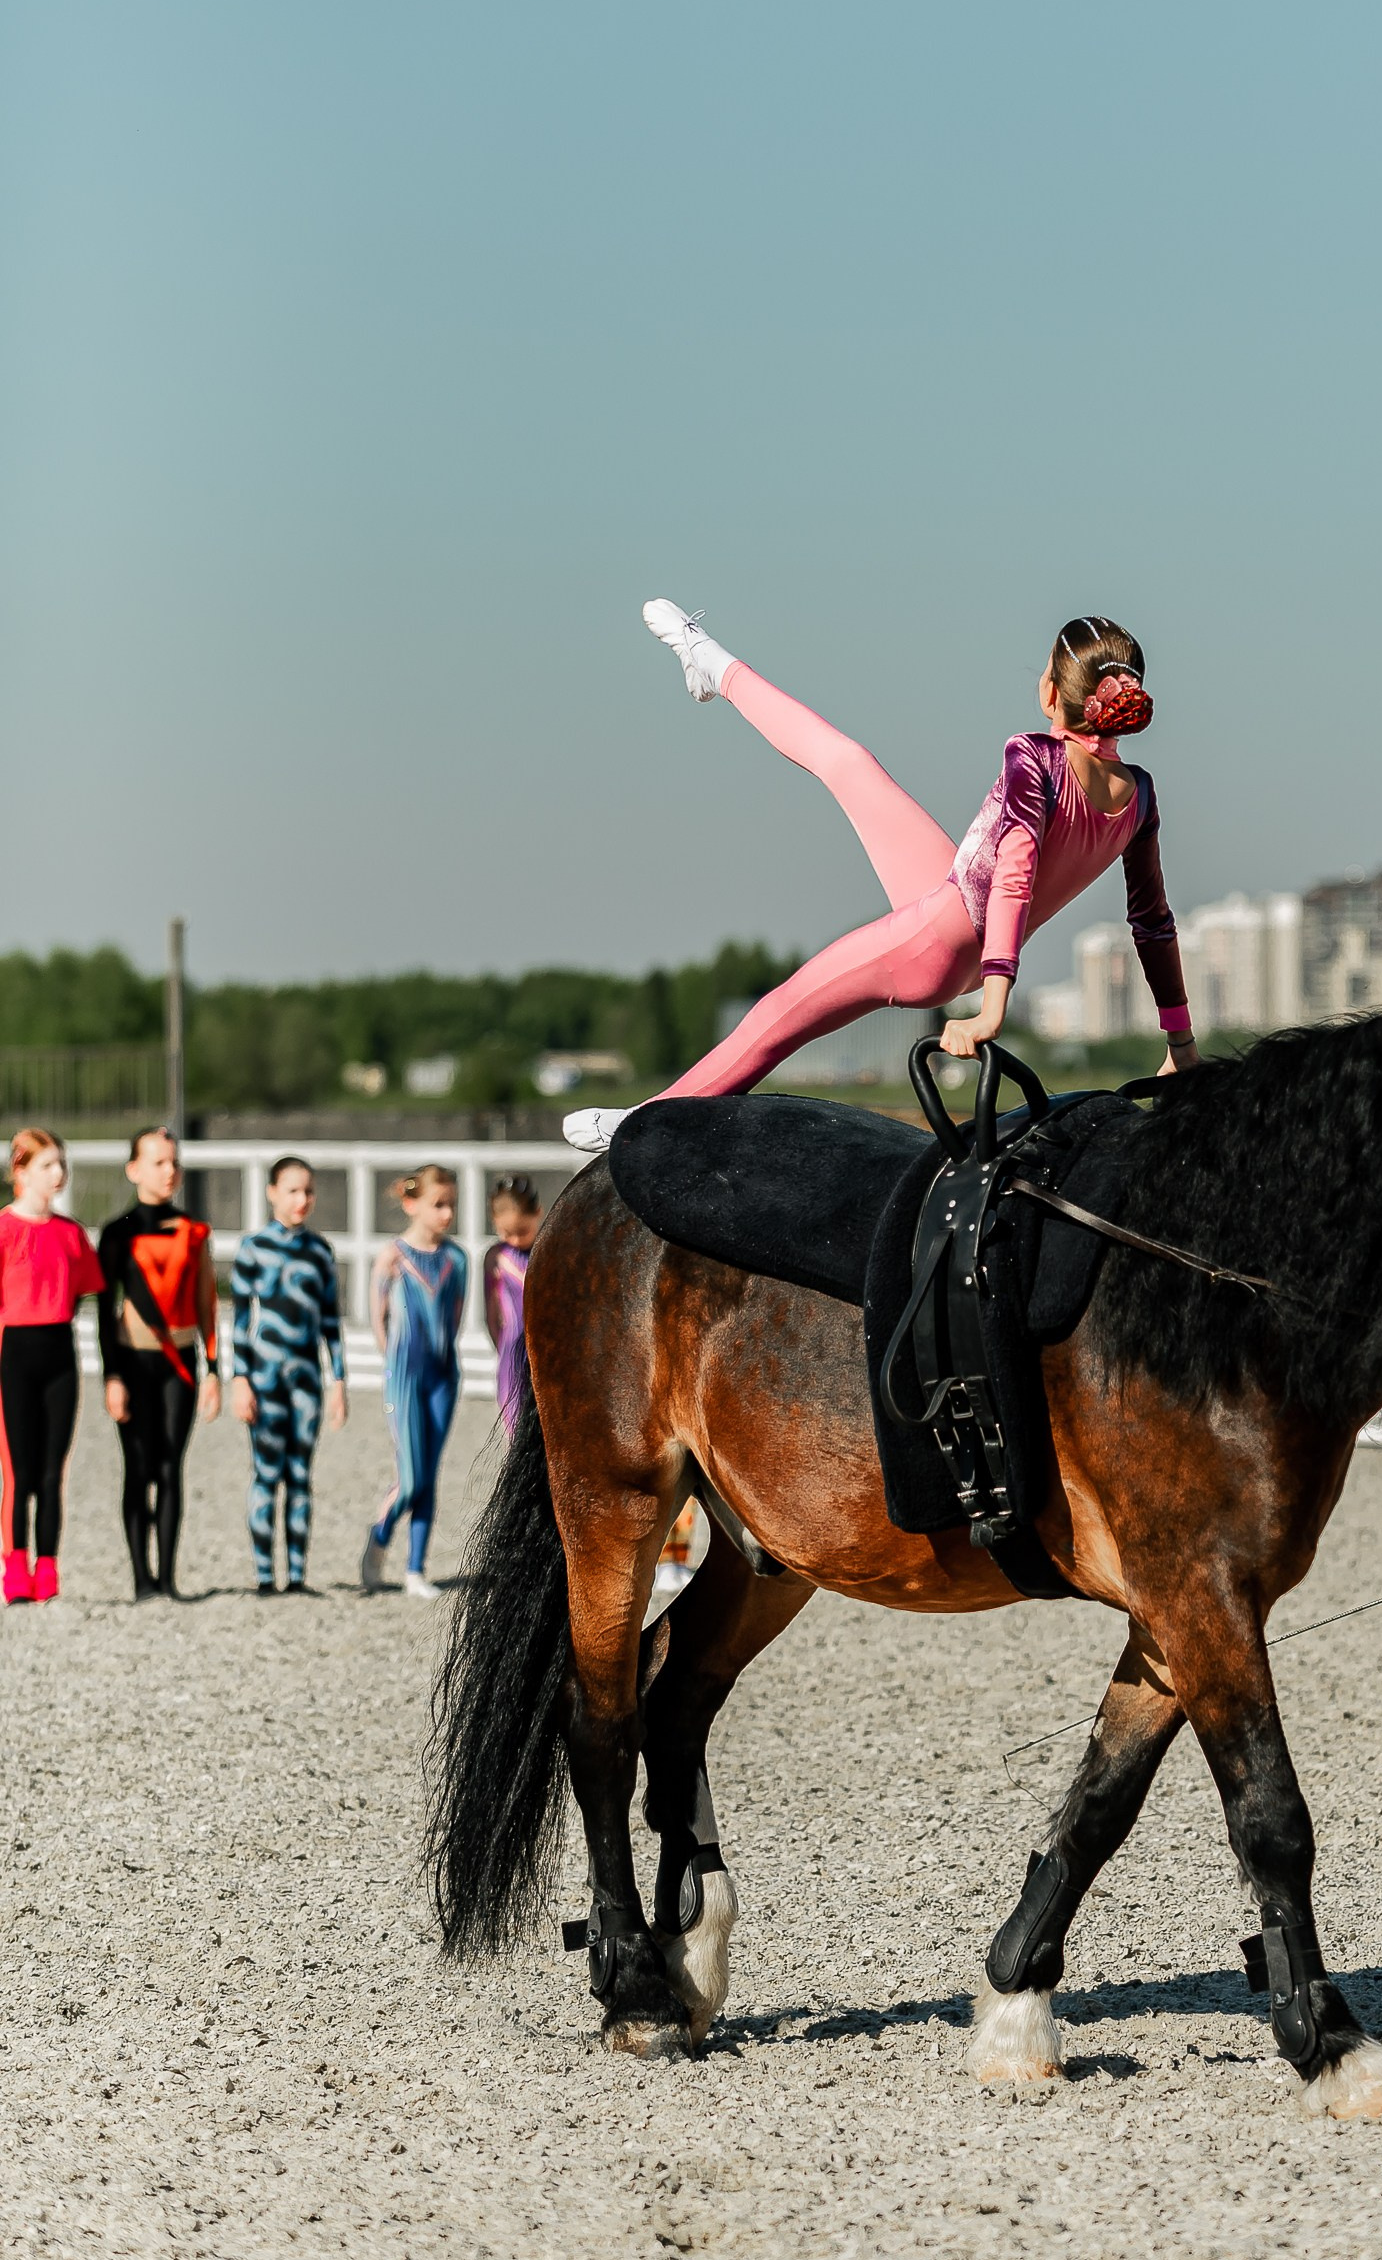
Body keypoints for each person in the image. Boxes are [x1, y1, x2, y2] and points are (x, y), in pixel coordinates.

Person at [562, 603, 1198, 1149]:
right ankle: (709, 660)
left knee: (779, 1015)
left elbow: (1014, 875)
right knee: (849, 763)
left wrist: (990, 1009)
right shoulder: (1138, 794)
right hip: (948, 899)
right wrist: (1181, 1044)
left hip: (933, 945)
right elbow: (1152, 922)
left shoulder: (1033, 756)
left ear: (1051, 694)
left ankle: (643, 1126)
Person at [97, 1126, 222, 1600]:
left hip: (181, 1365)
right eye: (158, 1162)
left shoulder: (193, 1231)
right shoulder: (117, 1234)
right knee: (139, 1465)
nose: (169, 1171)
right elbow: (104, 1311)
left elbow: (207, 1304)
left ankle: (168, 1580)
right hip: (132, 1362)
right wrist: (111, 1376)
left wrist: (213, 1369)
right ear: (134, 1170)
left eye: (174, 1162)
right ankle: (141, 1580)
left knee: (170, 1466)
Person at [230, 1155, 348, 1594]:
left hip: (306, 1380)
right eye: (293, 1190)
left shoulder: (319, 1252)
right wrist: (239, 1378)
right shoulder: (253, 1248)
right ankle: (265, 1575)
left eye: (308, 1191)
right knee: (266, 1473)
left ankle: (297, 1574)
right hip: (264, 1378)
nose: (302, 1200)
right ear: (272, 1192)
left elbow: (330, 1322)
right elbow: (240, 1321)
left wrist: (338, 1379)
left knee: (300, 1475)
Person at [0, 1129, 106, 1602]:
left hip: (60, 1353)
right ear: (19, 1172)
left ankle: (49, 1567)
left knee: (51, 1471)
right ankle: (14, 1568)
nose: (58, 1173)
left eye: (60, 1163)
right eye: (47, 1165)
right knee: (17, 1471)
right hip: (13, 1353)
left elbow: (86, 1290)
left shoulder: (70, 1233)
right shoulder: (3, 1230)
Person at [361, 1164, 465, 1600]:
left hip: (443, 1375)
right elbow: (376, 1316)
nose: (446, 1215)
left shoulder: (456, 1259)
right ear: (412, 1204)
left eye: (451, 1206)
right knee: (412, 1474)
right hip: (404, 1375)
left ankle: (415, 1568)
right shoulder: (392, 1256)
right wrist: (394, 1363)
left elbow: (455, 1317)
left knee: (431, 1474)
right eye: (438, 1205)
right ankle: (380, 1533)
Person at [482, 1175, 539, 1437]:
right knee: (516, 1435)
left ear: (537, 1214)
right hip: (512, 1359)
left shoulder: (545, 1251)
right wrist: (504, 1350)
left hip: (544, 1354)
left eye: (522, 1231)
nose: (515, 1240)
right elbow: (491, 1315)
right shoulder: (496, 1257)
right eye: (506, 1233)